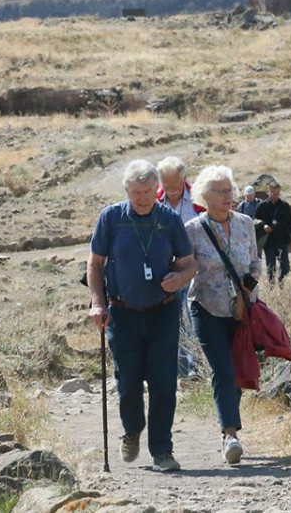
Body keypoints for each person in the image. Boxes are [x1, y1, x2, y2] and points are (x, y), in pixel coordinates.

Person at [88, 160, 197, 473]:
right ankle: (132, 430)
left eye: (148, 191)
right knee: (129, 382)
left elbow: (189, 263)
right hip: (122, 313)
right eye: (136, 192)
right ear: (127, 191)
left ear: (156, 189)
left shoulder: (168, 219)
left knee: (164, 382)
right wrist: (98, 303)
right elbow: (95, 265)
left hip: (163, 311)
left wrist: (180, 280)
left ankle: (162, 451)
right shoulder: (111, 218)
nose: (143, 198)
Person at [184, 166, 262, 465]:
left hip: (240, 309)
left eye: (230, 190)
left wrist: (251, 282)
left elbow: (255, 260)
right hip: (206, 307)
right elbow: (185, 266)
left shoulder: (245, 223)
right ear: (205, 196)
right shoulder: (192, 229)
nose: (228, 195)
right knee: (223, 369)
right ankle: (230, 435)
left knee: (238, 369)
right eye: (220, 191)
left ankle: (229, 428)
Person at [156, 156, 206, 378]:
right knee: (169, 320)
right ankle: (175, 366)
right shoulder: (154, 201)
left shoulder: (199, 199)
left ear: (184, 178)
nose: (172, 191)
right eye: (167, 186)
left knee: (190, 317)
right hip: (164, 272)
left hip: (195, 270)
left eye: (176, 186)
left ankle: (193, 366)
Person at [254, 182, 291, 283]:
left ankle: (282, 283)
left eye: (277, 194)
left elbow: (290, 221)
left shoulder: (284, 205)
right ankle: (271, 287)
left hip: (282, 239)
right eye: (273, 193)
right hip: (268, 241)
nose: (275, 196)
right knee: (271, 266)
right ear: (268, 192)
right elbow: (254, 220)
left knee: (285, 265)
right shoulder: (262, 206)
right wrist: (263, 225)